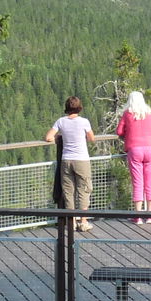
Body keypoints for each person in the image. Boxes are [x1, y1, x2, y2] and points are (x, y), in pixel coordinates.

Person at [44, 96, 96, 232]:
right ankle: (83, 221)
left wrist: (60, 137)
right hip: (82, 160)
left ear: (67, 107)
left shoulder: (61, 121)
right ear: (79, 108)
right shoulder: (84, 122)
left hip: (66, 160)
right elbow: (92, 138)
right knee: (84, 190)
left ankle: (71, 222)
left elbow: (48, 137)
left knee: (68, 191)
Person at [116, 90, 151, 223]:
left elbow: (119, 131)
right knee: (150, 182)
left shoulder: (127, 114)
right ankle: (150, 215)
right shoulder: (149, 113)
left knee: (138, 183)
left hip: (134, 150)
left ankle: (138, 215)